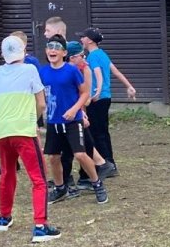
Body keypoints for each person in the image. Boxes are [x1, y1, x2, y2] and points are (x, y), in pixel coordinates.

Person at [0, 36, 60, 242]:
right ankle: (40, 226)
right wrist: (31, 119)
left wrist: (5, 119)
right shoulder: (30, 70)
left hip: (1, 131)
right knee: (38, 178)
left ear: (3, 54)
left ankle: (3, 218)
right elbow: (41, 103)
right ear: (23, 51)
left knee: (7, 172)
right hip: (24, 131)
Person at [39, 37, 106, 204]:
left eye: (56, 48)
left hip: (73, 121)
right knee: (53, 157)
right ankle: (60, 188)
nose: (52, 50)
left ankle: (97, 184)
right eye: (49, 47)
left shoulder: (71, 71)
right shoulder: (42, 72)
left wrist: (75, 110)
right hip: (53, 122)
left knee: (80, 154)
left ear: (64, 53)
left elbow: (84, 93)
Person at [77, 27, 136, 177]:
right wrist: (129, 86)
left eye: (83, 37)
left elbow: (98, 74)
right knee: (103, 132)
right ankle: (110, 162)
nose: (81, 39)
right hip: (106, 98)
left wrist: (96, 91)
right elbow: (115, 71)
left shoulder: (93, 56)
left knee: (96, 133)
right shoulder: (102, 54)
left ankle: (105, 164)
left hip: (97, 99)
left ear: (90, 40)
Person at [67, 39, 110, 185]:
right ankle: (96, 168)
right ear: (72, 57)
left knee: (83, 144)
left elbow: (84, 97)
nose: (85, 59)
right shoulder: (67, 70)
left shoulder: (84, 69)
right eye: (82, 56)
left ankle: (94, 171)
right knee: (79, 144)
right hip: (72, 113)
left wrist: (81, 112)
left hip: (78, 113)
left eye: (84, 55)